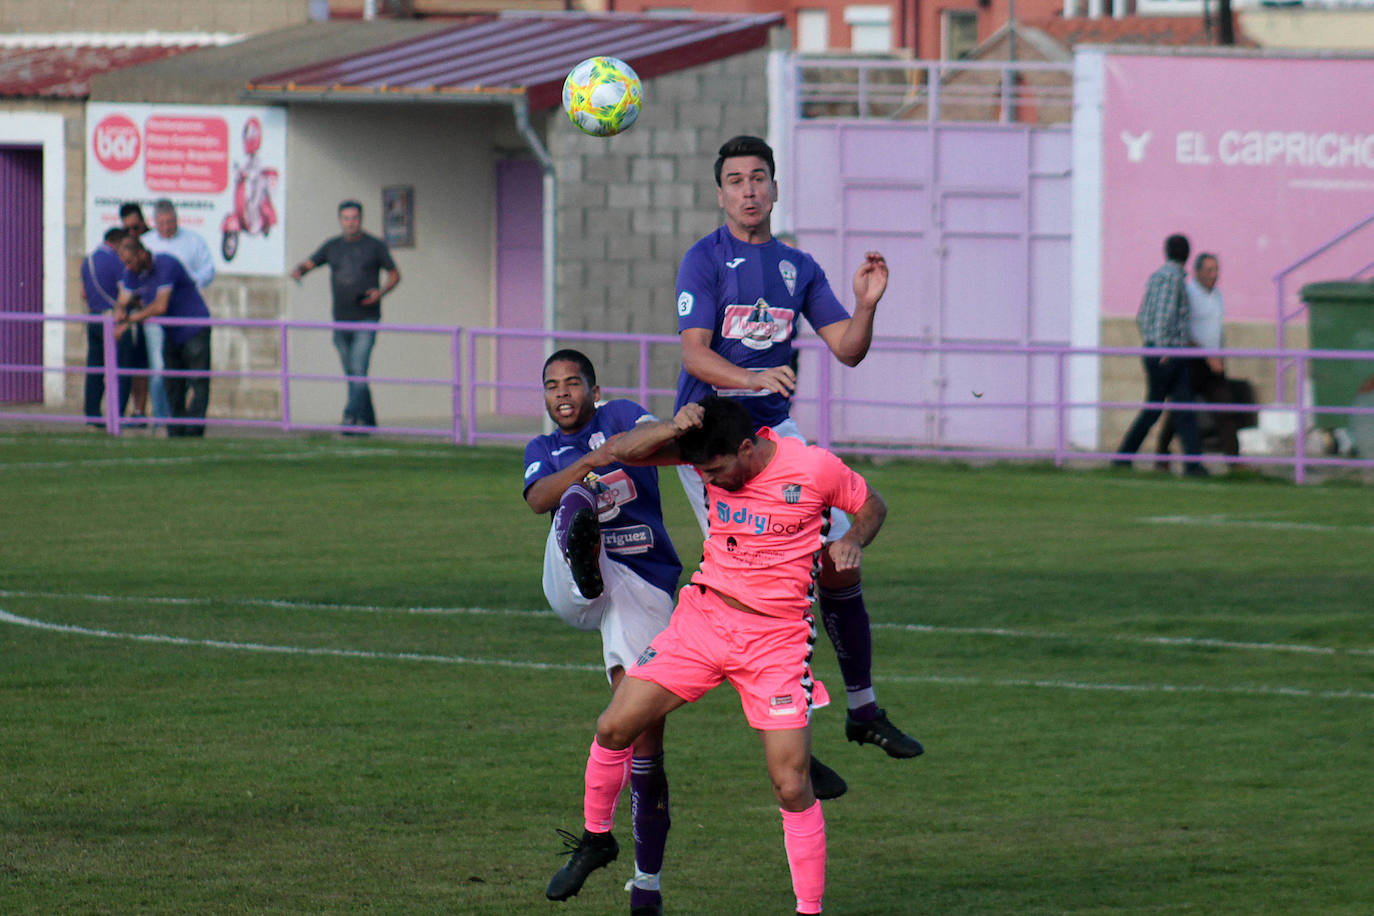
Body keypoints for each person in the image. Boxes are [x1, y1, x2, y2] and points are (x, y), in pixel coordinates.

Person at [545, 396, 888, 916]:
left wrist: (854, 541)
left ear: (747, 447)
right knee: (615, 726)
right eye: (702, 470)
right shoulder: (704, 452)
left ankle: (809, 910)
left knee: (791, 784)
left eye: (717, 471)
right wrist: (672, 427)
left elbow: (872, 505)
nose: (711, 481)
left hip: (776, 641)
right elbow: (618, 450)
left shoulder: (813, 467)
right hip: (703, 622)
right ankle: (597, 838)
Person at [672, 134, 921, 762]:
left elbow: (848, 347)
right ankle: (792, 743)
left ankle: (862, 708)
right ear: (721, 193)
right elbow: (695, 353)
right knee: (755, 590)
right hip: (715, 447)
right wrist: (753, 376)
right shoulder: (704, 259)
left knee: (838, 560)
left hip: (775, 440)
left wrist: (867, 307)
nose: (749, 190)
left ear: (776, 188)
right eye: (735, 180)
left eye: (759, 177)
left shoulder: (798, 267)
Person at [525, 350, 681, 916]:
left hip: (641, 582)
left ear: (594, 388)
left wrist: (630, 441)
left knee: (640, 731)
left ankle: (645, 881)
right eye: (551, 386)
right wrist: (598, 462)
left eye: (573, 383)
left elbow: (655, 439)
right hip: (576, 581)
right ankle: (585, 560)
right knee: (569, 497)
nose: (562, 393)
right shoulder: (543, 449)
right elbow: (536, 498)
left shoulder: (620, 416)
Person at [290, 200, 401, 432]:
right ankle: (368, 419)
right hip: (341, 318)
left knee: (358, 368)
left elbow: (394, 274)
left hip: (366, 318)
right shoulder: (333, 246)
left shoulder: (375, 245)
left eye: (354, 218)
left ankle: (350, 417)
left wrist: (380, 293)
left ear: (361, 219)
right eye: (346, 218)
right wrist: (299, 271)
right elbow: (312, 262)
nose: (351, 223)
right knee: (352, 372)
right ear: (341, 220)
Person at [1114, 233, 1208, 478]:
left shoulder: (1156, 278)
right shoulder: (1173, 280)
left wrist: (1153, 342)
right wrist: (1164, 347)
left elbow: (1143, 316)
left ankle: (1191, 463)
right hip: (1168, 354)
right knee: (1168, 408)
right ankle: (1126, 456)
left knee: (1176, 407)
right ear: (1187, 255)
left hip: (1160, 350)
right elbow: (1164, 318)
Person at [114, 236, 212, 437]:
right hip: (172, 332)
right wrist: (120, 311)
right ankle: (175, 428)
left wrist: (129, 321)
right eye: (125, 263)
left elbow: (161, 306)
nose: (128, 267)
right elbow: (123, 300)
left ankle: (194, 430)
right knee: (172, 382)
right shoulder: (133, 271)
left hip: (194, 328)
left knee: (198, 381)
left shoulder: (166, 263)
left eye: (130, 261)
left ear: (142, 253)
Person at [1156, 252, 1243, 468]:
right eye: (1209, 270)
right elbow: (1183, 330)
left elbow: (1216, 330)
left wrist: (1220, 355)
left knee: (1224, 408)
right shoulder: (1188, 294)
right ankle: (1161, 454)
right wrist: (1206, 355)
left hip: (1214, 364)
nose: (1214, 275)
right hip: (1192, 362)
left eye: (1216, 270)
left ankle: (1234, 461)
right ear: (1198, 272)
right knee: (1179, 409)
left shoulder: (1218, 295)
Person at [138, 200, 215, 428]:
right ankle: (163, 419)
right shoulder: (147, 244)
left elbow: (208, 269)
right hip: (156, 317)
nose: (167, 226)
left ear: (177, 220)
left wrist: (190, 284)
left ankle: (189, 423)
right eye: (162, 222)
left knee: (193, 374)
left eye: (170, 222)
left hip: (185, 317)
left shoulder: (193, 241)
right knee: (160, 369)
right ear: (155, 222)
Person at [81, 227, 138, 428]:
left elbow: (83, 294)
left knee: (95, 367)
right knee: (122, 368)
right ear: (117, 243)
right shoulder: (117, 261)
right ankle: (117, 414)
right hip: (113, 320)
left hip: (93, 317)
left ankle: (92, 414)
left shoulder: (87, 260)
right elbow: (126, 290)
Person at [118, 203, 154, 426]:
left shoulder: (153, 246)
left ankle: (161, 413)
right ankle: (136, 411)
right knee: (136, 365)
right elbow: (125, 293)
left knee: (158, 367)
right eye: (127, 229)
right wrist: (120, 312)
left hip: (155, 315)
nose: (131, 232)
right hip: (139, 317)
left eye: (135, 228)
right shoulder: (128, 256)